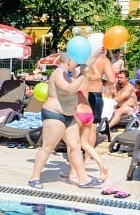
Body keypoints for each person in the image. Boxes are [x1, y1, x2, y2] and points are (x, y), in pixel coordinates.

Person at [27, 52, 103, 189]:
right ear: (68, 61)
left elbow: (87, 64)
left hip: (69, 116)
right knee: (48, 147)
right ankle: (34, 177)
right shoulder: (57, 73)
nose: (78, 65)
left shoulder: (70, 72)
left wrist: (97, 53)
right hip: (54, 115)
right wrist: (83, 75)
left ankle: (83, 179)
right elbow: (69, 89)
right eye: (76, 62)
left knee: (75, 146)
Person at [83, 46, 116, 146]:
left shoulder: (82, 58)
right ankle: (87, 157)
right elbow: (112, 80)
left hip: (81, 93)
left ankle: (76, 153)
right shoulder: (103, 60)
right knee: (92, 127)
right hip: (95, 93)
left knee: (79, 125)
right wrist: (103, 83)